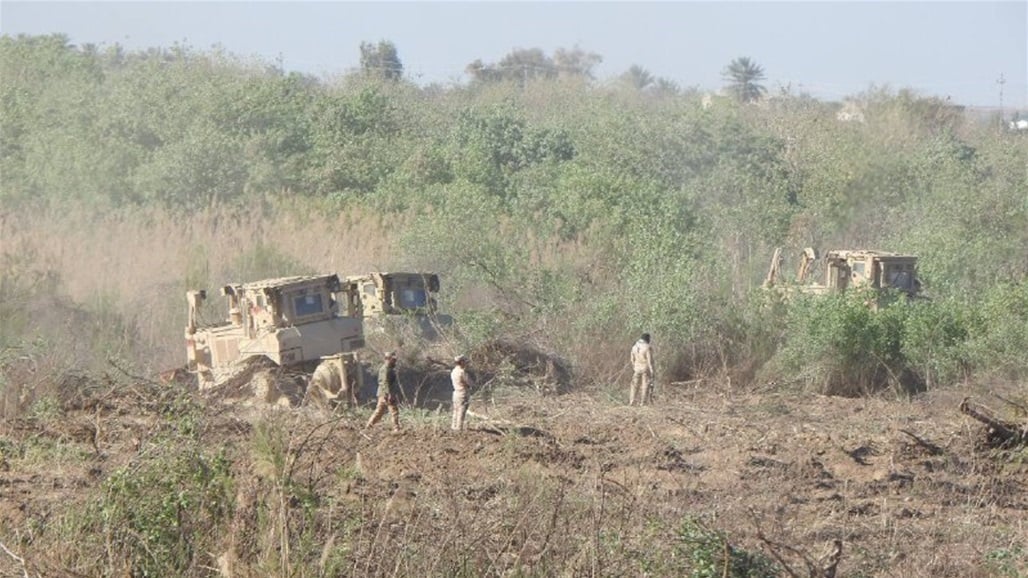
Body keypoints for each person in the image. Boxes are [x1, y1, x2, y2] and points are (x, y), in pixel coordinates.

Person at [366, 351, 401, 431]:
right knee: (394, 411)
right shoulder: (386, 369)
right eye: (393, 360)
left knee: (379, 411)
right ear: (388, 359)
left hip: (383, 393)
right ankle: (396, 428)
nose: (395, 361)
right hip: (386, 393)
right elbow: (385, 383)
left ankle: (368, 426)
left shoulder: (387, 368)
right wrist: (389, 394)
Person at [629, 333, 654, 406]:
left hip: (636, 368)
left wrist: (634, 366)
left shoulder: (634, 347)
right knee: (645, 386)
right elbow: (650, 361)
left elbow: (632, 359)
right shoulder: (647, 347)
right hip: (645, 368)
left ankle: (632, 401)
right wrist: (652, 371)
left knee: (634, 385)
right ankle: (643, 403)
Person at [450, 354, 474, 431]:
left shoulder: (453, 371)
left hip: (456, 393)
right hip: (463, 393)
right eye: (464, 361)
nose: (465, 363)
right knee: (461, 410)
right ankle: (459, 428)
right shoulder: (462, 372)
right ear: (461, 362)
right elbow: (469, 383)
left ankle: (454, 426)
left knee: (456, 410)